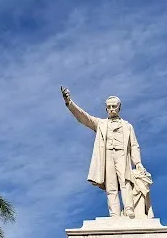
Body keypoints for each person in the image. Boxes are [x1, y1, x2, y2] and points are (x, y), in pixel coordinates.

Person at [62, 87, 146, 218]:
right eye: (109, 107)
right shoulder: (101, 124)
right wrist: (69, 103)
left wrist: (138, 163)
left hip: (122, 155)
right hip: (107, 155)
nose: (111, 109)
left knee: (126, 182)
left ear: (119, 107)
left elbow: (134, 146)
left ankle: (129, 209)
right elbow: (84, 118)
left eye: (114, 106)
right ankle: (115, 214)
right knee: (111, 186)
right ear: (106, 108)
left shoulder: (127, 126)